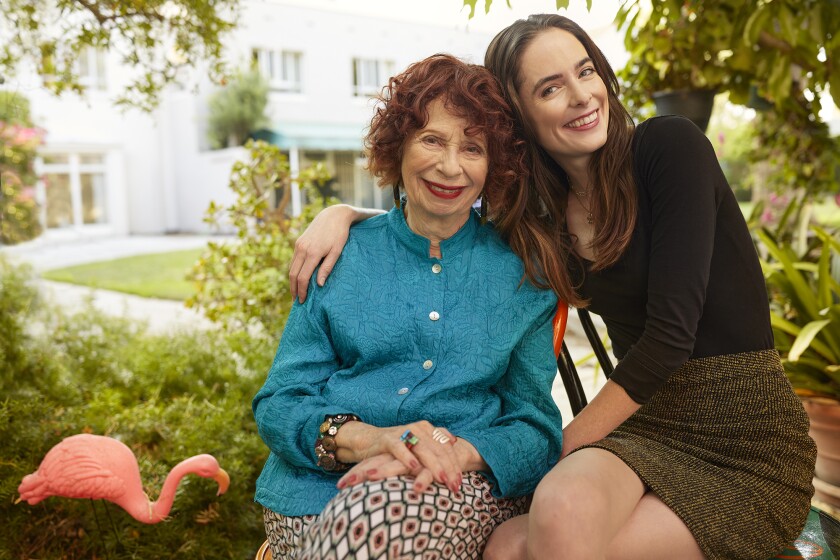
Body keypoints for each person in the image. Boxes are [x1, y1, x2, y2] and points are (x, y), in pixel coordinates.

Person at [287, 14, 817, 560]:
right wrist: (345, 214)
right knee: (512, 538)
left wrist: (549, 451)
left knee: (539, 534)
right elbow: (438, 213)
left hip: (744, 433)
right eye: (551, 88)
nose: (582, 96)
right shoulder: (540, 217)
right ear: (518, 116)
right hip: (645, 426)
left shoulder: (668, 147)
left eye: (585, 72)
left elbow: (670, 337)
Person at [252, 53, 564, 560]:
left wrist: (452, 453)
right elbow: (281, 401)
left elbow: (536, 429)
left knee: (374, 524)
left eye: (473, 148)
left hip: (453, 490)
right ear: (397, 149)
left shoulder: (522, 278)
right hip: (311, 495)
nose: (450, 166)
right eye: (432, 140)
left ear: (494, 165)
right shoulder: (340, 254)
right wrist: (369, 441)